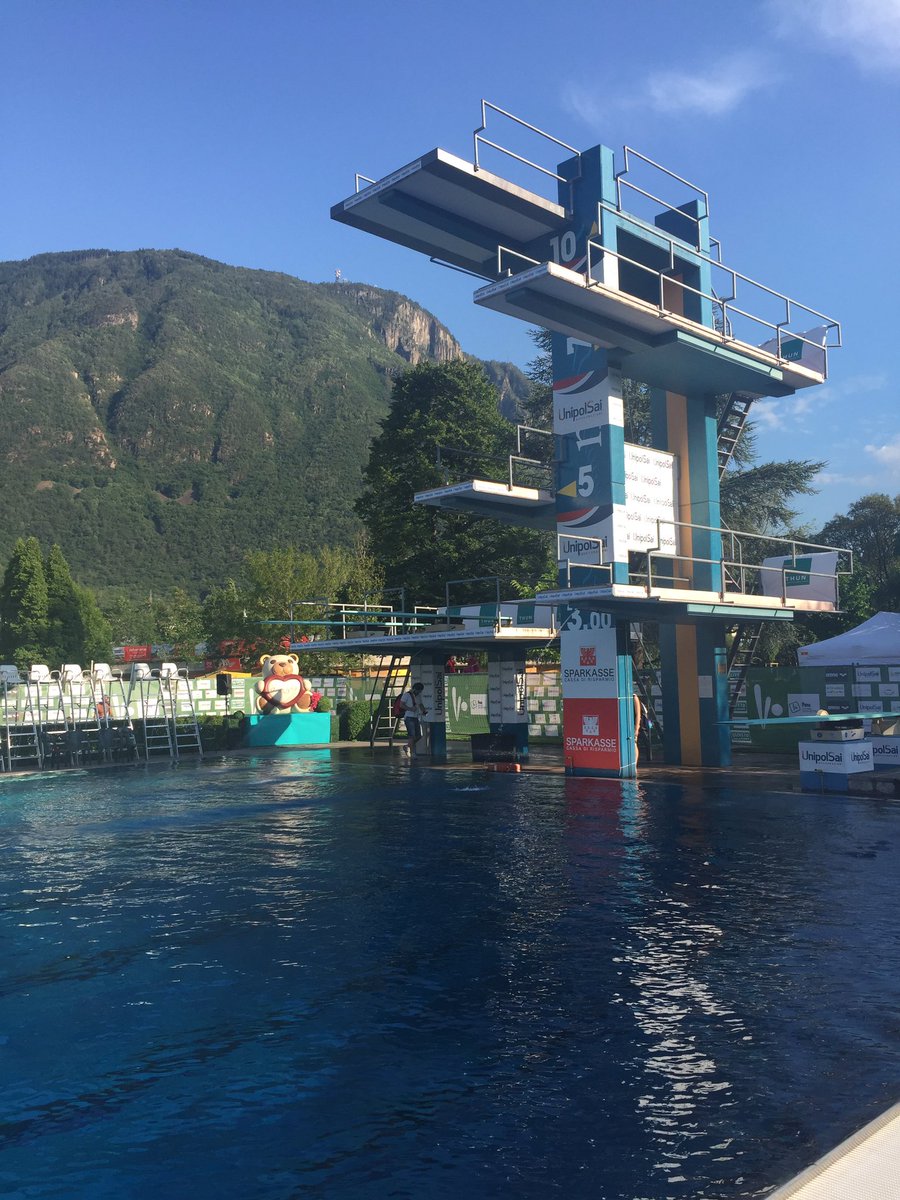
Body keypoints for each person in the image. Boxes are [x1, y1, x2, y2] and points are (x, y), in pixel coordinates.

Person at [400, 681, 427, 757]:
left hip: (416, 717)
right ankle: (412, 753)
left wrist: (424, 711)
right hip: (409, 717)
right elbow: (401, 705)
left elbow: (421, 704)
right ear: (415, 689)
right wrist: (410, 709)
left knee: (419, 736)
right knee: (412, 736)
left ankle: (408, 746)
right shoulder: (407, 695)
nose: (419, 692)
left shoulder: (418, 696)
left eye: (420, 691)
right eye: (418, 690)